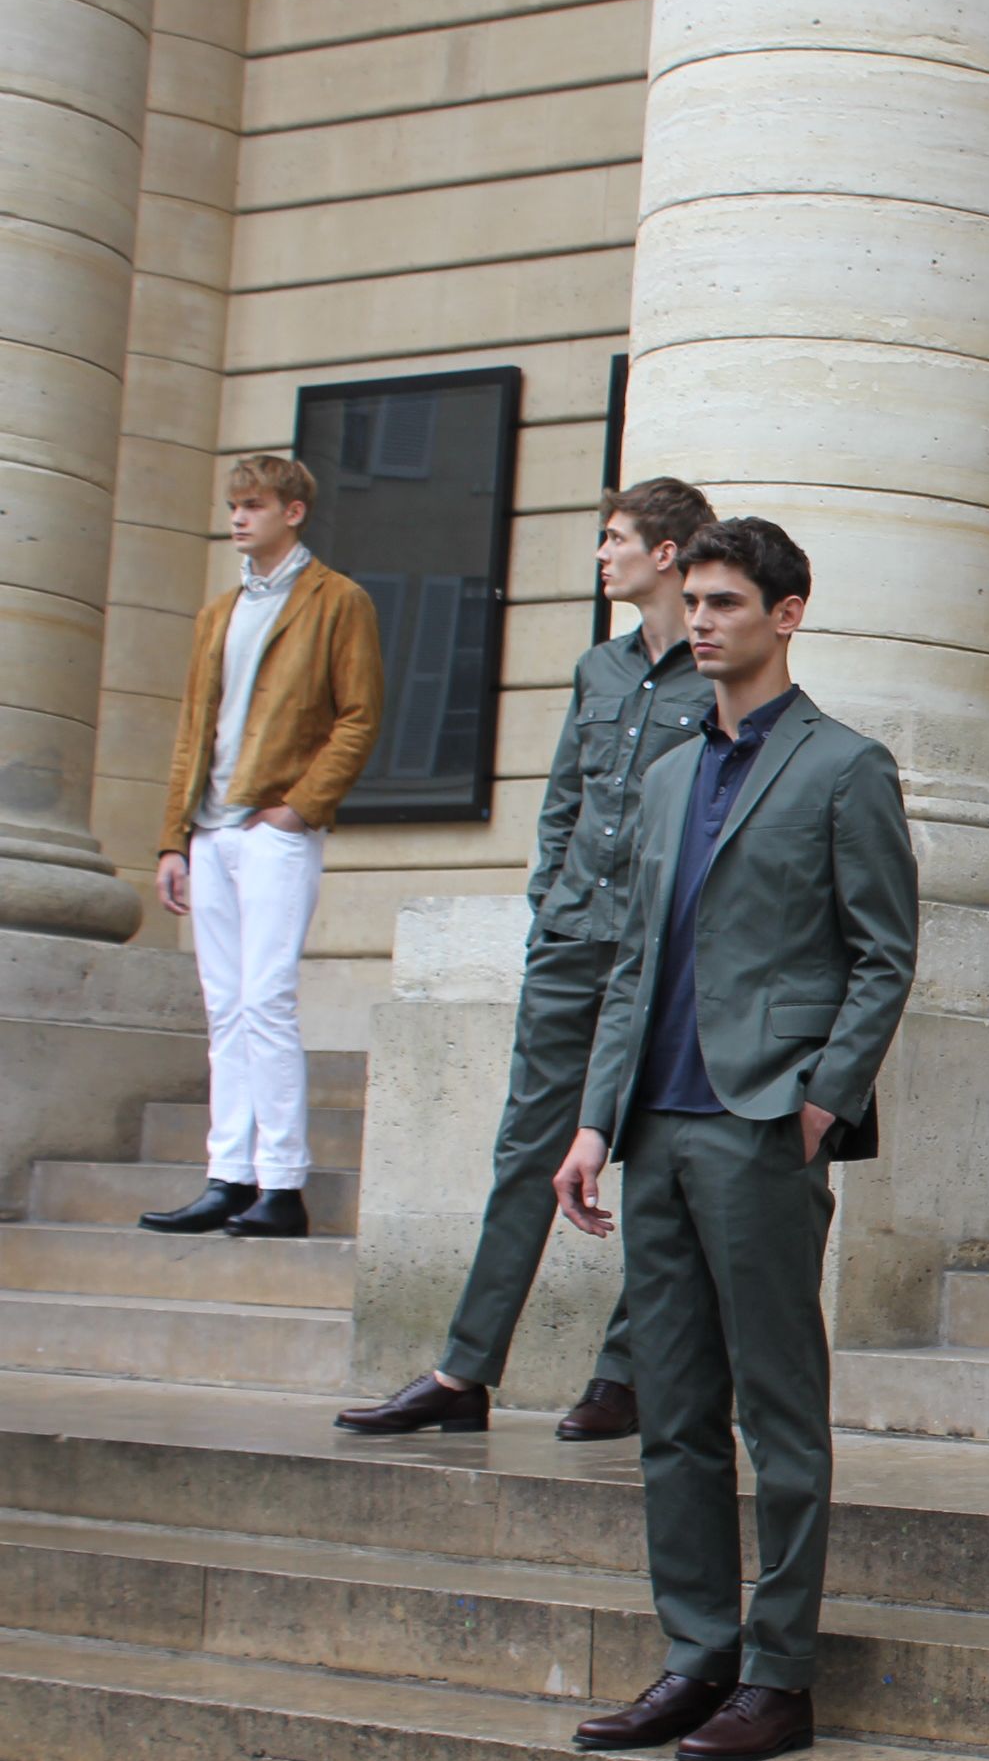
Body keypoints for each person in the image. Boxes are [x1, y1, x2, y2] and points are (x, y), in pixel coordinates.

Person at [551, 517, 916, 1761]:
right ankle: (695, 1656)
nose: (700, 622)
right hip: (655, 1128)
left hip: (762, 1126)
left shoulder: (844, 766)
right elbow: (634, 963)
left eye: (725, 604)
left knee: (780, 1413)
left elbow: (883, 954)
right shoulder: (666, 776)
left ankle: (779, 1675)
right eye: (694, 601)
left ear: (786, 613)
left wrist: (821, 1101)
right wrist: (594, 1122)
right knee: (672, 1413)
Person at [337, 479, 720, 1443]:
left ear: (665, 553)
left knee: (660, 1162)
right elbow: (562, 802)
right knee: (526, 1154)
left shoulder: (718, 671)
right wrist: (549, 902)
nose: (602, 554)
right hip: (570, 942)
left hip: (663, 957)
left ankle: (624, 1376)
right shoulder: (598, 669)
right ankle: (463, 1372)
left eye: (615, 538)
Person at [142, 457, 383, 1241]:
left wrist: (299, 808)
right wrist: (174, 838)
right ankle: (228, 1177)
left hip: (274, 830)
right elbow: (193, 731)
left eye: (253, 505)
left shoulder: (337, 600)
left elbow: (359, 715)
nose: (238, 519)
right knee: (225, 1007)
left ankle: (282, 1184)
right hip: (210, 833)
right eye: (233, 507)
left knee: (266, 1000)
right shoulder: (219, 612)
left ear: (293, 511)